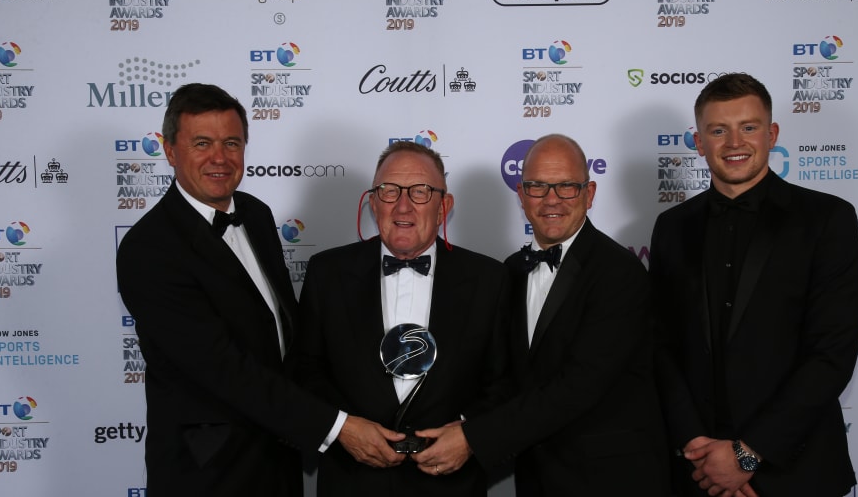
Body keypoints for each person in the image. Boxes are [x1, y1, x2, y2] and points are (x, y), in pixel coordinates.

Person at [116, 83, 404, 497]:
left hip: (279, 458)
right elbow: (225, 369)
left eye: (231, 143)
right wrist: (338, 426)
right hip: (208, 471)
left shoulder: (255, 214)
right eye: (202, 143)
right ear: (170, 151)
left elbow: (285, 336)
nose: (219, 158)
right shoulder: (149, 249)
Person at [411, 134, 670, 496]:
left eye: (566, 186)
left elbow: (578, 386)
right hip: (537, 477)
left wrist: (473, 437)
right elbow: (505, 374)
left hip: (610, 479)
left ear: (589, 193)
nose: (552, 199)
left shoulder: (619, 273)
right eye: (537, 186)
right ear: (521, 194)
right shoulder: (511, 270)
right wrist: (460, 421)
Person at [649, 73, 858, 497]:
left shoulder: (828, 219)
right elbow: (660, 345)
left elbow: (831, 354)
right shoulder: (671, 227)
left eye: (748, 127)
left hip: (797, 471)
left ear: (772, 134)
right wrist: (699, 450)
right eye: (718, 130)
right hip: (700, 472)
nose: (734, 142)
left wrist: (746, 455)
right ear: (699, 142)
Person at [294, 141, 512, 496]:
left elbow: (504, 381)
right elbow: (304, 370)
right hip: (352, 481)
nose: (403, 205)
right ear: (373, 203)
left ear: (444, 207)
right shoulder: (326, 273)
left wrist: (470, 434)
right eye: (389, 191)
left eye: (421, 191)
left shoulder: (490, 279)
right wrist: (342, 428)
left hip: (451, 485)